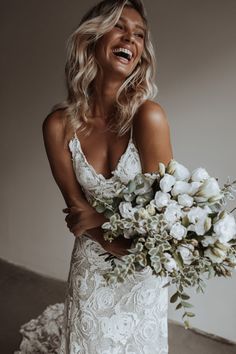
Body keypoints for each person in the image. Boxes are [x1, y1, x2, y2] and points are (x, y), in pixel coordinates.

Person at [16, 0, 173, 353]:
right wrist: (100, 228)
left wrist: (98, 218)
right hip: (92, 270)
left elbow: (165, 217)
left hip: (141, 273)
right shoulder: (58, 126)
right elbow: (76, 211)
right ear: (92, 40)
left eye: (139, 35)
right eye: (120, 27)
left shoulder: (149, 118)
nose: (131, 39)